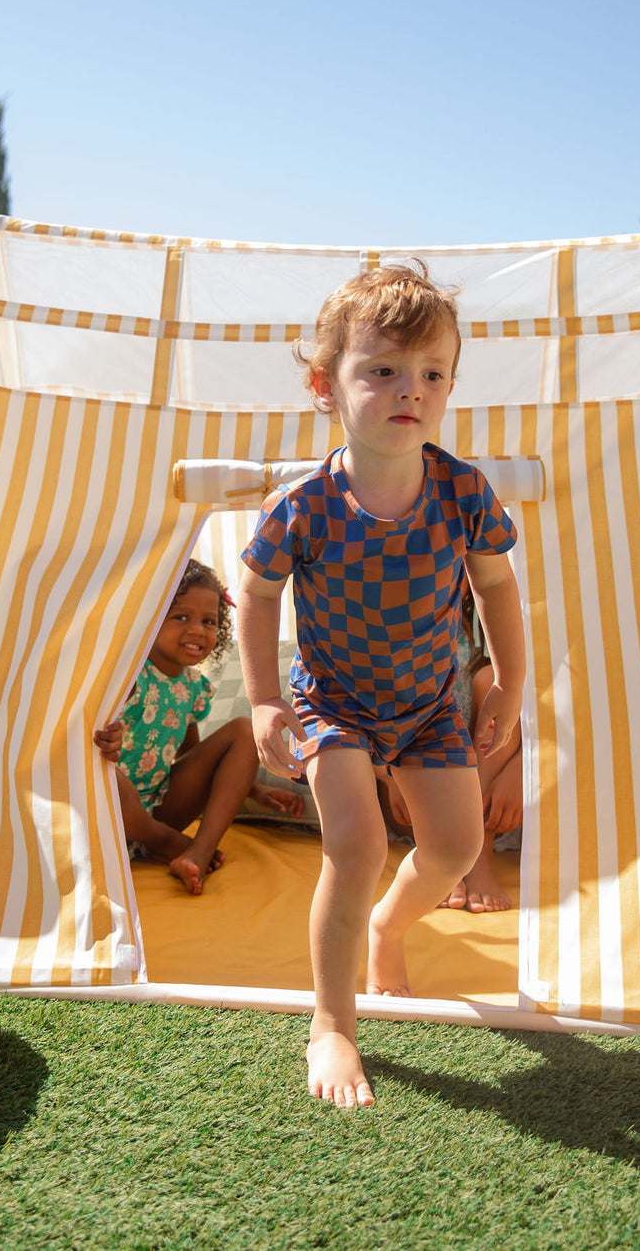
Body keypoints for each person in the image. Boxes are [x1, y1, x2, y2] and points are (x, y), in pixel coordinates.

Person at [236, 262, 525, 1107]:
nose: (413, 390)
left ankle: (388, 930)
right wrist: (263, 699)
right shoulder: (304, 506)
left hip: (434, 702)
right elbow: (255, 598)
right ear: (326, 387)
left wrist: (506, 679)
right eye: (384, 371)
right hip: (336, 703)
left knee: (455, 850)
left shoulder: (463, 489)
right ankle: (332, 1022)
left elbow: (497, 588)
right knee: (356, 848)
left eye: (433, 374)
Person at [94, 558, 303, 896]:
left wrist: (253, 790)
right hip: (111, 815)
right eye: (181, 617)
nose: (198, 630)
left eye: (209, 621)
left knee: (243, 729)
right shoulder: (129, 678)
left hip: (162, 807)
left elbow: (191, 756)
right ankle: (166, 843)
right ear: (148, 618)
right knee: (107, 779)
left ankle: (197, 852)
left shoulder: (193, 687)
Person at [378, 583, 524, 912]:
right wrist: (389, 778)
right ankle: (439, 855)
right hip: (408, 790)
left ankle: (478, 857)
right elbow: (362, 719)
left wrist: (522, 768)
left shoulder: (494, 631)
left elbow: (544, 717)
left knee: (492, 681)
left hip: (483, 792)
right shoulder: (393, 630)